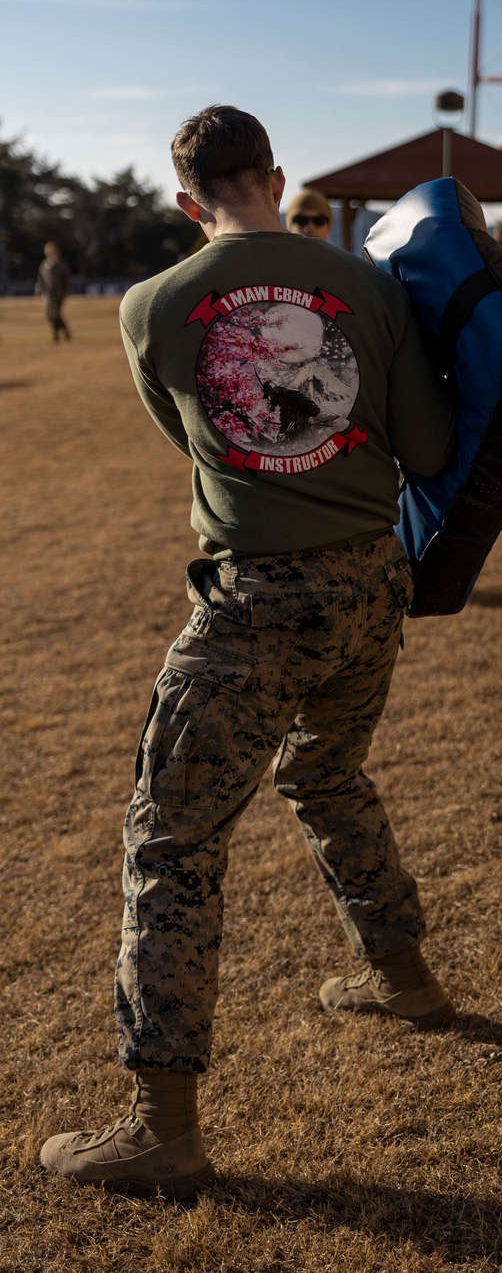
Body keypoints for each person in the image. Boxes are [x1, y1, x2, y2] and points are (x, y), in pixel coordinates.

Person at [40, 105, 457, 1198]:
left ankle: (160, 1129)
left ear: (187, 203)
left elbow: (192, 436)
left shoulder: (152, 305)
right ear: (277, 176)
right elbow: (427, 444)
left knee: (171, 845)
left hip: (256, 599)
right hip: (372, 582)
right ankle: (402, 976)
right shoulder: (366, 288)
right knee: (324, 770)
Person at [36, 240, 72, 341]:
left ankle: (55, 335)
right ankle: (65, 330)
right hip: (48, 294)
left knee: (55, 314)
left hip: (58, 294)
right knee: (49, 315)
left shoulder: (61, 266)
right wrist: (39, 290)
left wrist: (65, 293)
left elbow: (67, 281)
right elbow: (41, 279)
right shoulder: (44, 266)